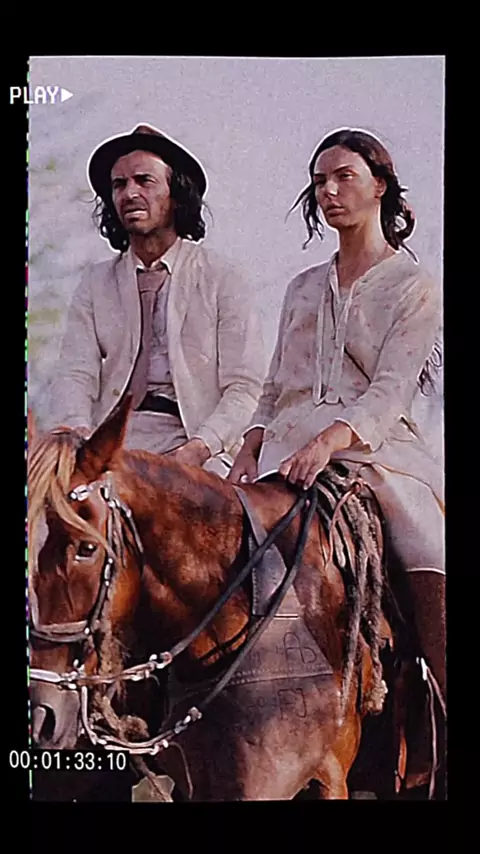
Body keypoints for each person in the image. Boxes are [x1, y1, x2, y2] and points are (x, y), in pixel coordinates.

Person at [229, 128, 445, 718]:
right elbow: (274, 385)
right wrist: (249, 446)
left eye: (344, 177)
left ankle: (440, 701)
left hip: (377, 455)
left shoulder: (413, 287)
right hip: (285, 455)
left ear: (380, 186)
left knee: (430, 543)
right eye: (319, 181)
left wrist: (329, 441)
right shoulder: (301, 287)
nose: (328, 191)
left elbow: (390, 391)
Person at [41, 123, 266, 476]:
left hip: (198, 444)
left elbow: (245, 388)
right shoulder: (95, 283)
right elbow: (75, 373)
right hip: (110, 444)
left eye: (144, 181)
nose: (129, 193)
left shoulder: (223, 277)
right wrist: (78, 434)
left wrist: (197, 449)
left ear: (176, 195)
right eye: (119, 185)